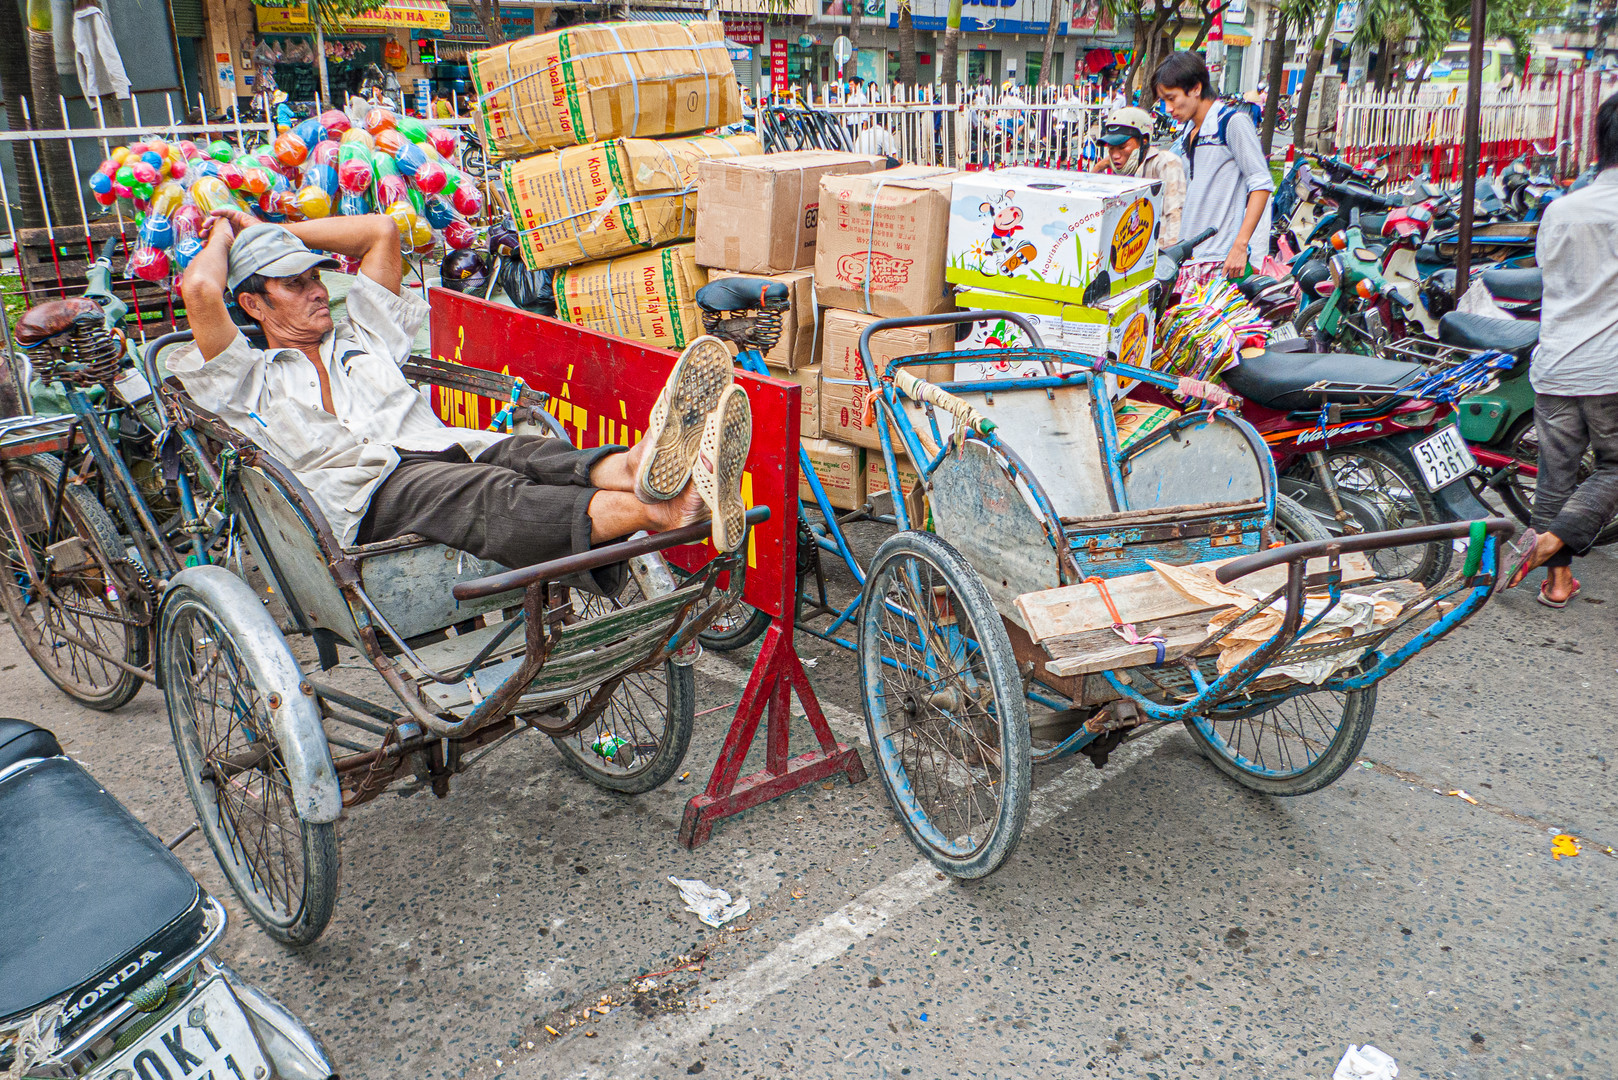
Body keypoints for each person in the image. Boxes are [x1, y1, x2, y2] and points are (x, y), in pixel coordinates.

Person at [173, 213, 755, 594]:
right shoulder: (247, 378)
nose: (318, 290)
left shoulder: (361, 334)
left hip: (444, 450)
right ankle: (665, 511)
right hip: (365, 495)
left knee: (535, 453)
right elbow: (200, 290)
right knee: (490, 494)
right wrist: (227, 235)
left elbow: (381, 231)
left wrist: (271, 227)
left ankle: (641, 468)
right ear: (252, 304)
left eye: (315, 277)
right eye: (293, 284)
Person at [1505, 92, 1618, 606]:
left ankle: (1556, 582)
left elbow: (1553, 276)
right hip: (1610, 367)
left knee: (1557, 476)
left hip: (1555, 361)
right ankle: (1550, 542)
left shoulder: (1561, 208)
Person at [1153, 50, 1272, 292]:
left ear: (1196, 88)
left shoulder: (1232, 123)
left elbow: (1261, 184)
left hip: (1218, 260)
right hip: (1188, 258)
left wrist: (1240, 246)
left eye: (1171, 98)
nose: (1167, 108)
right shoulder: (1189, 130)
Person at [1093, 106, 1185, 245]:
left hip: (1159, 252)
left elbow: (1175, 213)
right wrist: (1098, 167)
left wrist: (1169, 256)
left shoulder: (1164, 162)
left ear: (1144, 141)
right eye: (1111, 149)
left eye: (1123, 147)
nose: (1115, 155)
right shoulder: (1122, 171)